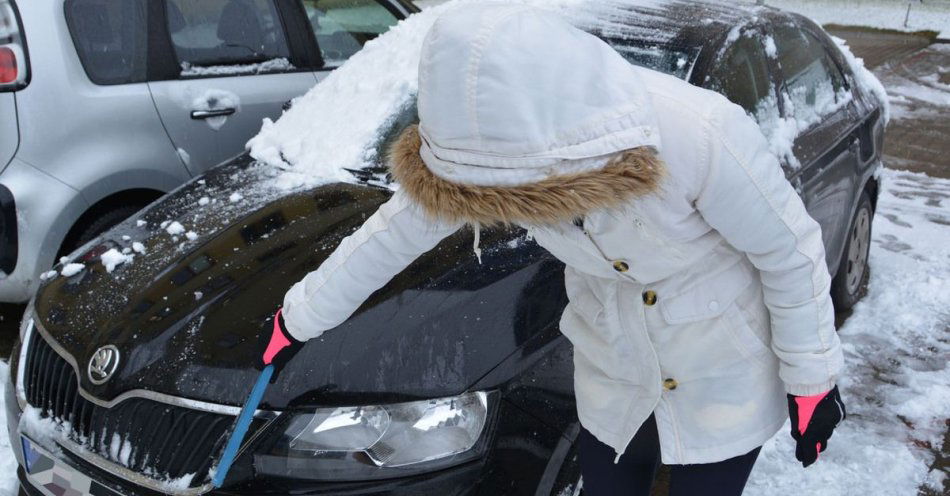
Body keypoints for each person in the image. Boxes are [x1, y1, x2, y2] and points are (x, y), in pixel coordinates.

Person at [259, 4, 846, 495]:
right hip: (611, 367)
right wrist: (300, 318)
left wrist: (811, 379)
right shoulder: (468, 156)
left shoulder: (696, 135)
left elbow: (788, 251)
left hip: (721, 368)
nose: (495, 204)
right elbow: (389, 237)